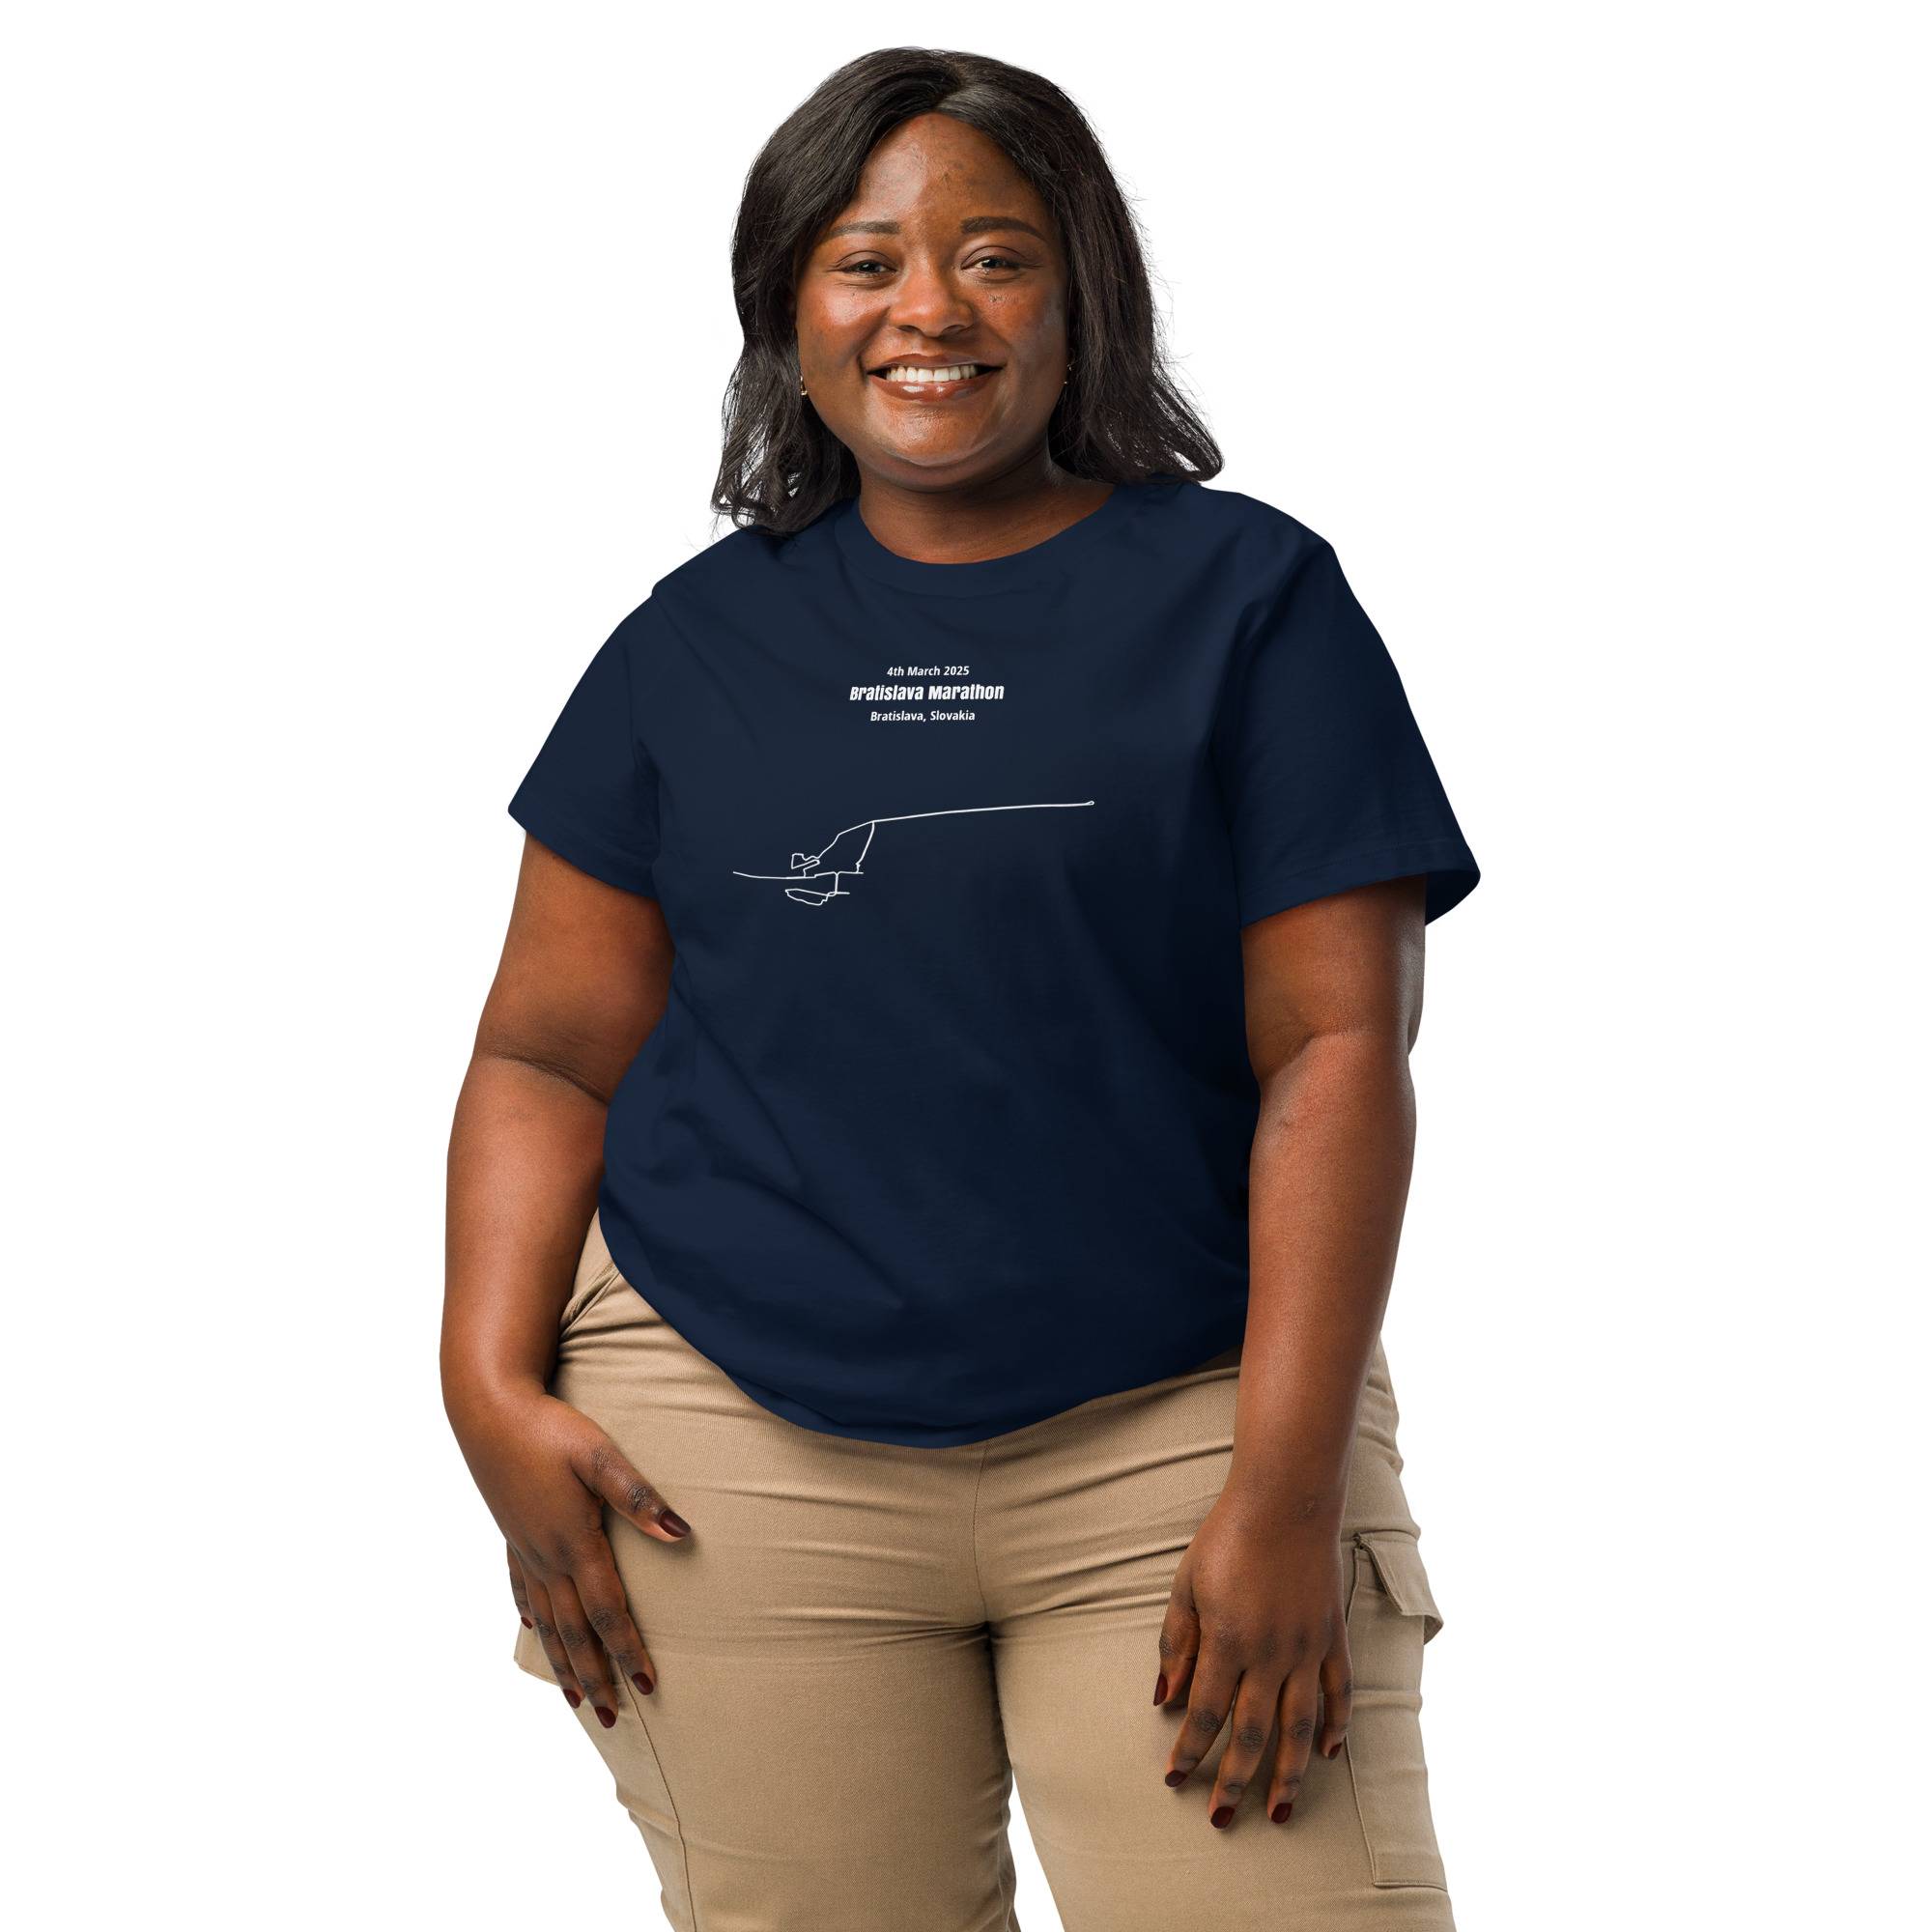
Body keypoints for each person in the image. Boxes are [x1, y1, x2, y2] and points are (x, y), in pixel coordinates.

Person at [442, 45, 1480, 1932]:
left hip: (1183, 1420)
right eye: (865, 261)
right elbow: (545, 1052)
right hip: (729, 1447)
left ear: (1083, 296)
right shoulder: (691, 643)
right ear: (788, 311)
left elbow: (1336, 1046)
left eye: (995, 257)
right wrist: (482, 1381)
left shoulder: (1252, 602)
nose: (929, 309)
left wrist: (1285, 1487)